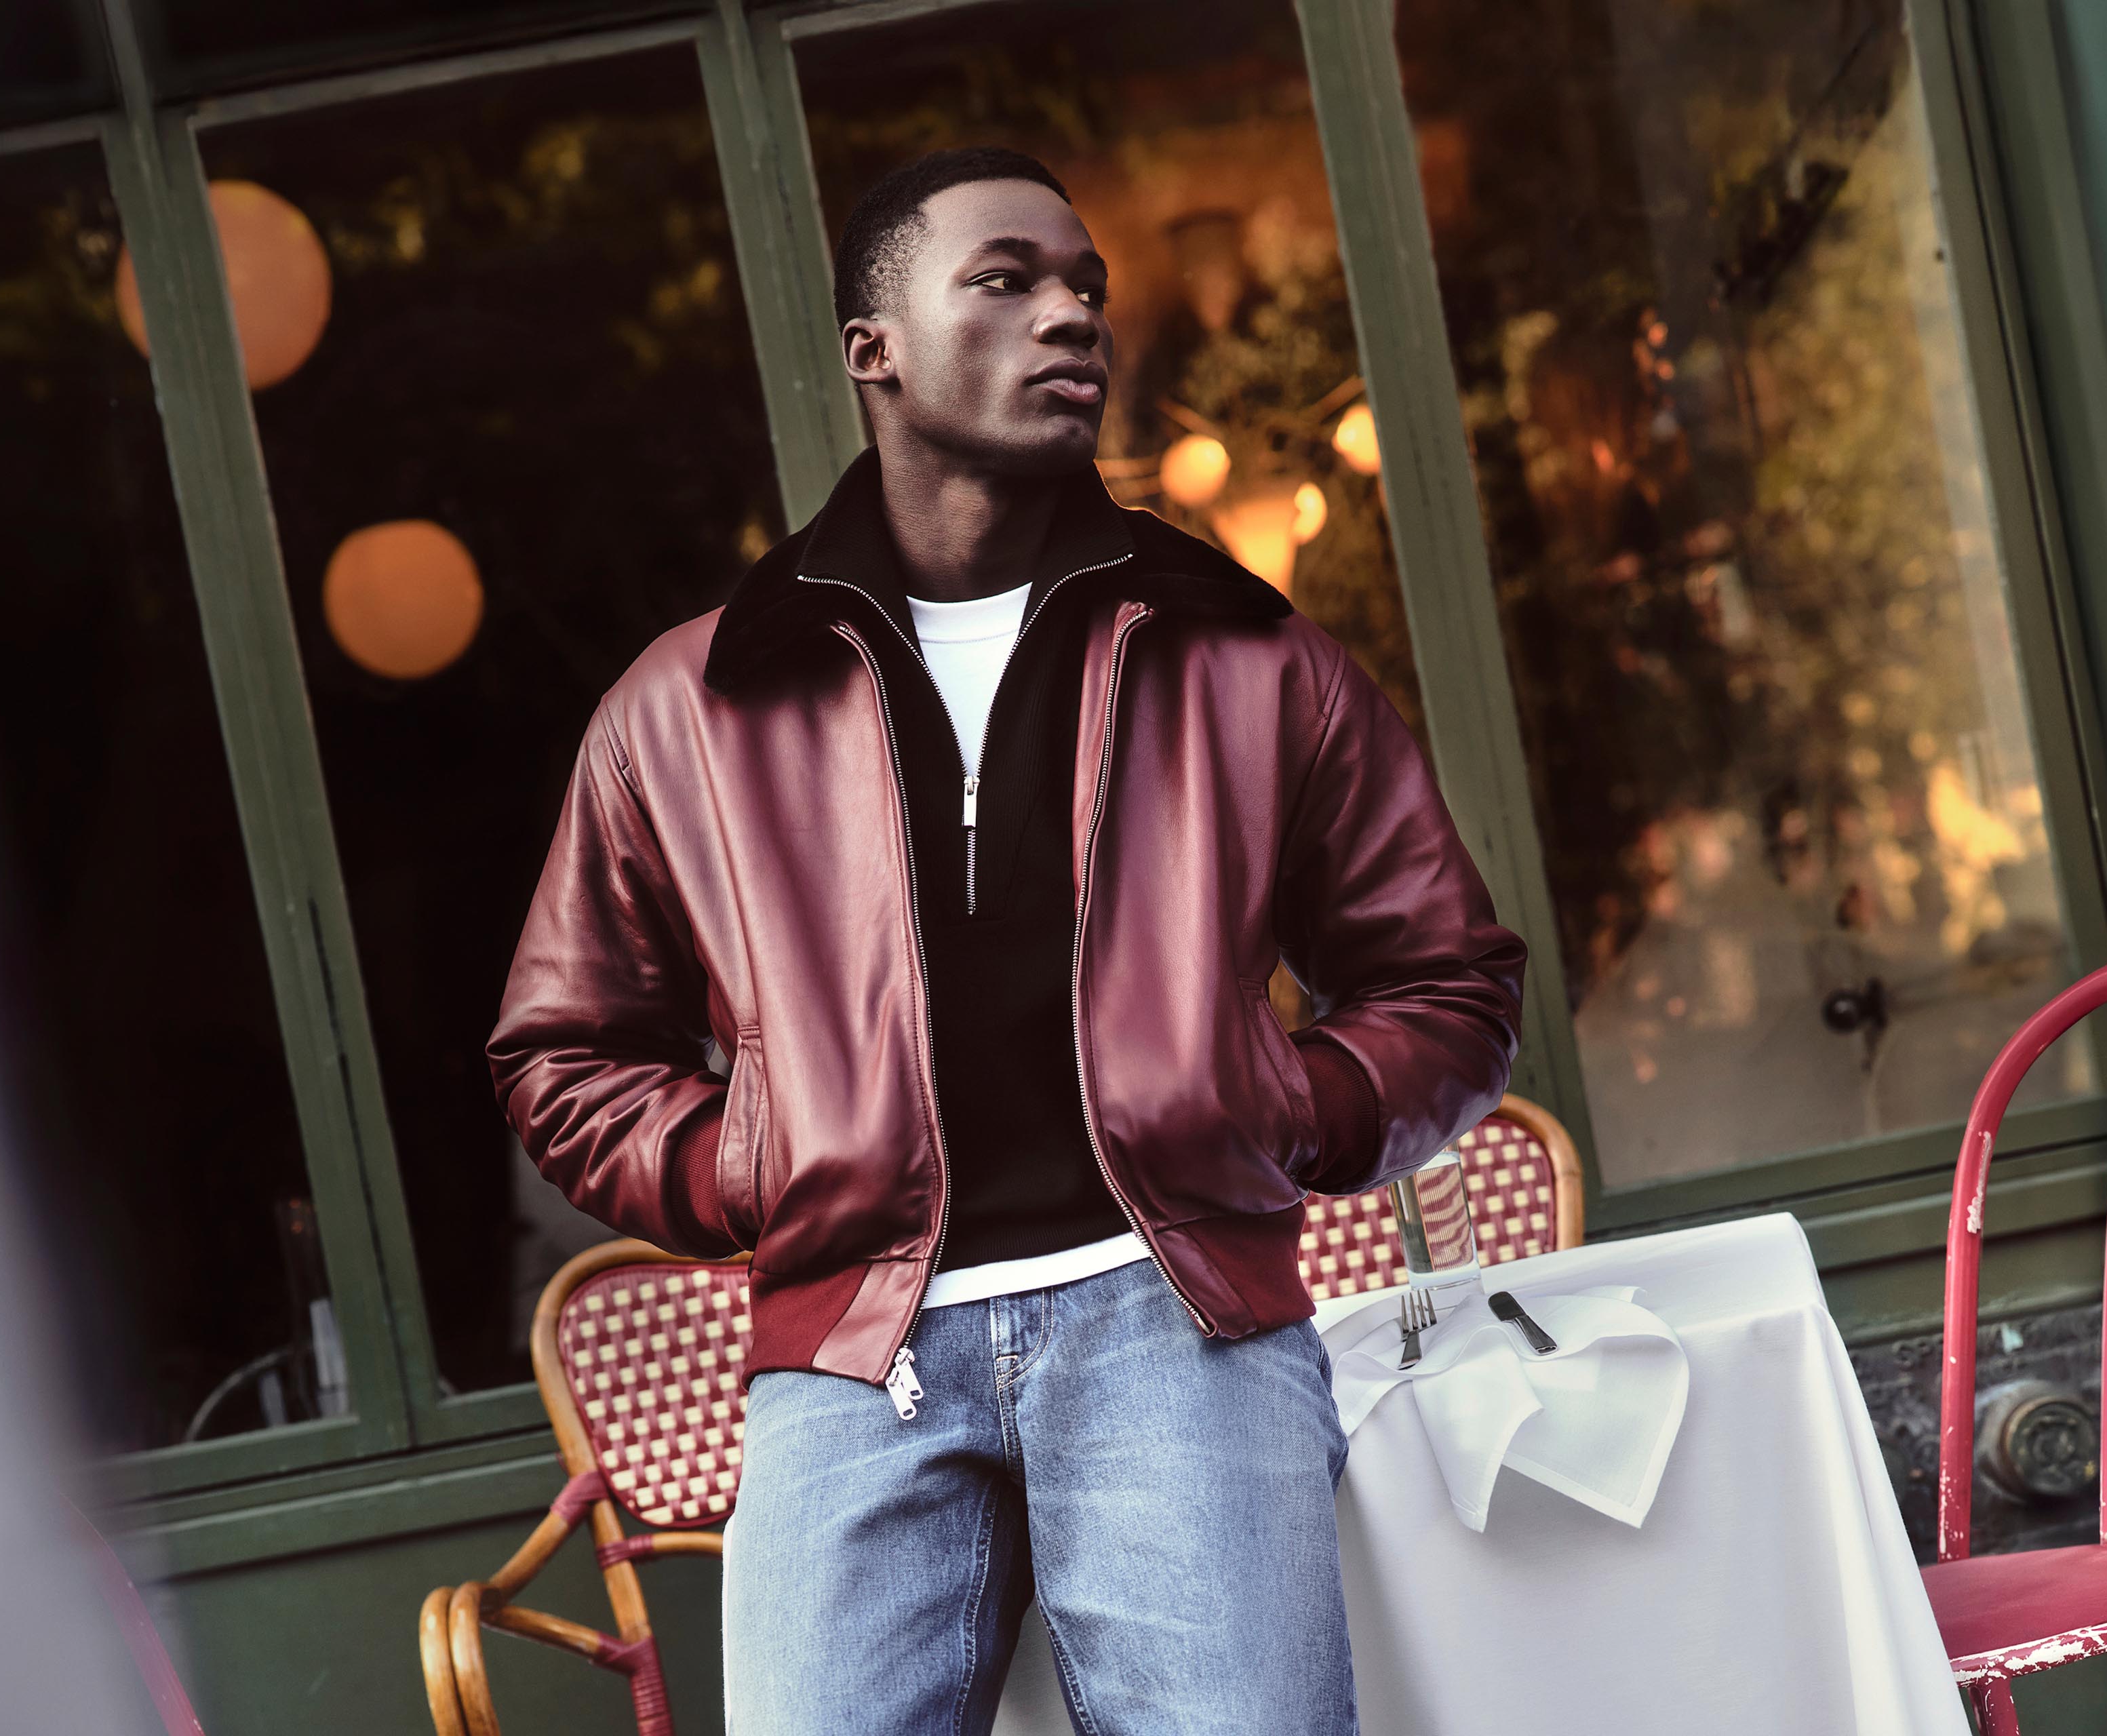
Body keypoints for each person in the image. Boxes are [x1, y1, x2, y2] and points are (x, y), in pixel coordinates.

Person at [490, 145, 1526, 1735]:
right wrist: (749, 1159)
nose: (1071, 315)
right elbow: (567, 1051)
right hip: (853, 1351)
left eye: (1086, 288)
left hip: (1178, 1317)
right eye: (1006, 279)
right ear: (875, 348)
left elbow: (1448, 979)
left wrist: (1283, 1103)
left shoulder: (1244, 655)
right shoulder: (691, 704)